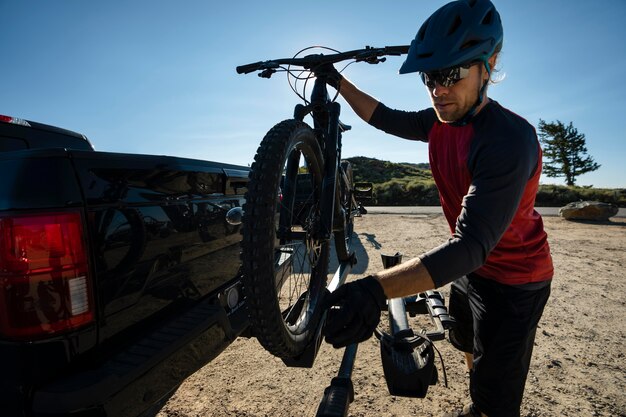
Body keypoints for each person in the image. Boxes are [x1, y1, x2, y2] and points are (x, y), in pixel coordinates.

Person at [320, 1, 553, 416]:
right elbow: (383, 117)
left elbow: (470, 244)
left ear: (489, 64)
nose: (437, 89)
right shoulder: (438, 123)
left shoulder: (508, 140)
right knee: (464, 341)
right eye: (429, 77)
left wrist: (373, 288)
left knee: (494, 400)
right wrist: (336, 80)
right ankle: (476, 392)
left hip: (516, 283)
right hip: (470, 269)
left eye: (451, 74)